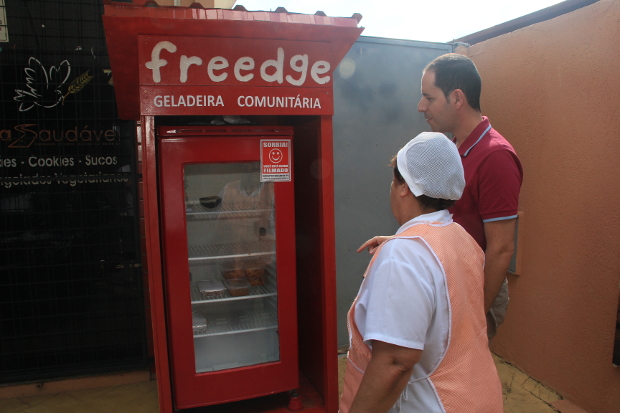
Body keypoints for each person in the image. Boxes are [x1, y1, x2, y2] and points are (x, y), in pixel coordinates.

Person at [359, 53, 523, 339]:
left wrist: (473, 317)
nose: (421, 106)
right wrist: (406, 242)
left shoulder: (495, 156)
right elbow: (448, 223)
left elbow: (501, 249)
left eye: (429, 97)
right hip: (447, 281)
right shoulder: (451, 147)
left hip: (473, 290)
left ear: (457, 98)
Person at [339, 132, 503, 413]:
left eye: (394, 181)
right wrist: (400, 247)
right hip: (477, 395)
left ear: (404, 188)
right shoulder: (461, 238)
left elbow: (395, 362)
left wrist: (399, 255)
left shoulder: (404, 256)